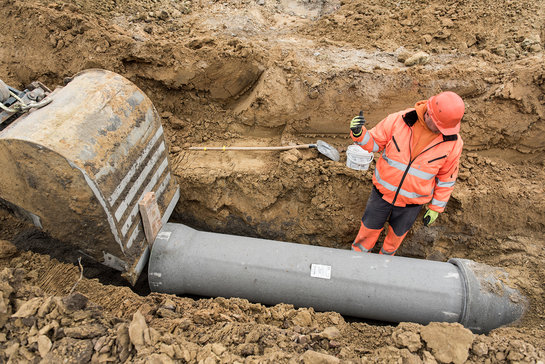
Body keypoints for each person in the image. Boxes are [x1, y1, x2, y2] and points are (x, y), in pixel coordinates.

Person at [349, 91, 464, 256]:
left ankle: (384, 265)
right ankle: (355, 260)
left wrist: (436, 208)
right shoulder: (399, 120)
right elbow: (374, 143)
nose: (443, 132)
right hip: (381, 195)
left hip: (412, 204)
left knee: (394, 240)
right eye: (440, 127)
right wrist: (359, 134)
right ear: (429, 114)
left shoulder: (453, 142)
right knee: (367, 232)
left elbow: (447, 178)